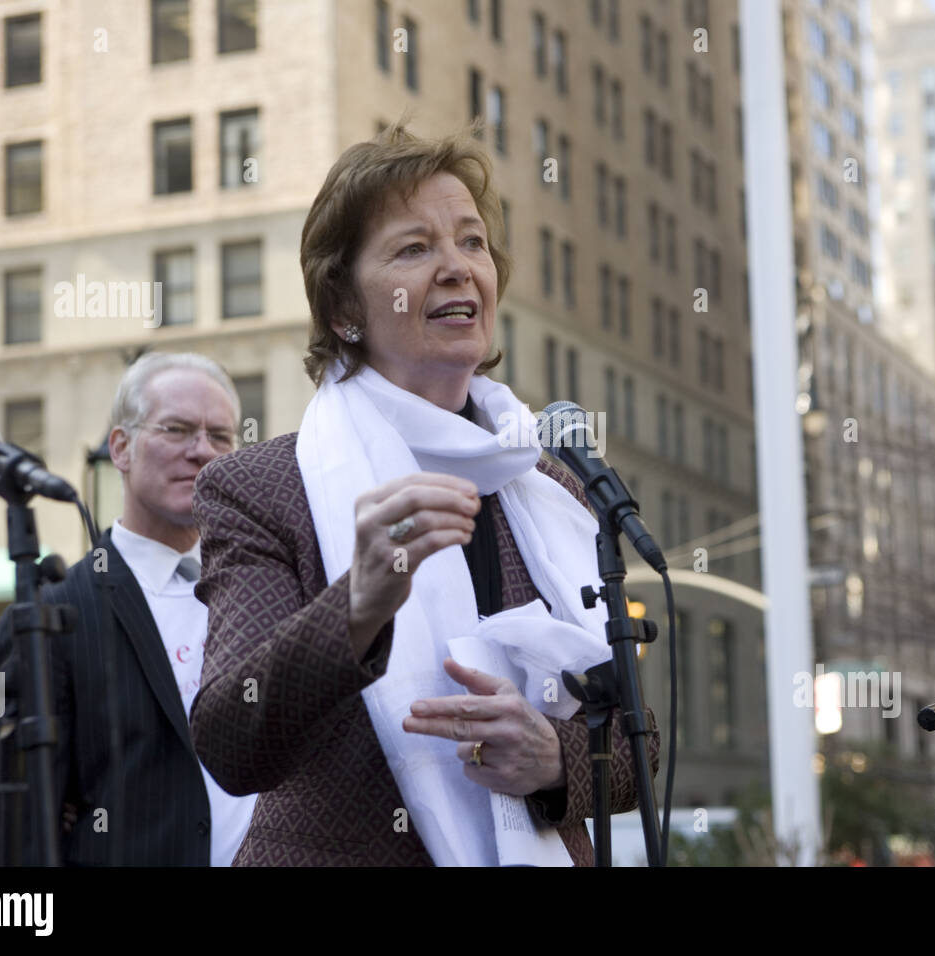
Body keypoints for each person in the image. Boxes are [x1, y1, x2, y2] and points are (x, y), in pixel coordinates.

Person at [190, 121, 661, 866]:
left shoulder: (552, 485)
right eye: (414, 248)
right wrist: (360, 603)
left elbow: (640, 748)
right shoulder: (258, 489)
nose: (456, 267)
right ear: (344, 309)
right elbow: (231, 742)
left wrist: (552, 758)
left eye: (471, 243)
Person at [0, 352, 258, 865]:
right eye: (176, 429)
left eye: (220, 436)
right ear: (121, 448)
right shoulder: (53, 619)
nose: (201, 451)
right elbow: (17, 846)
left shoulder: (260, 592)